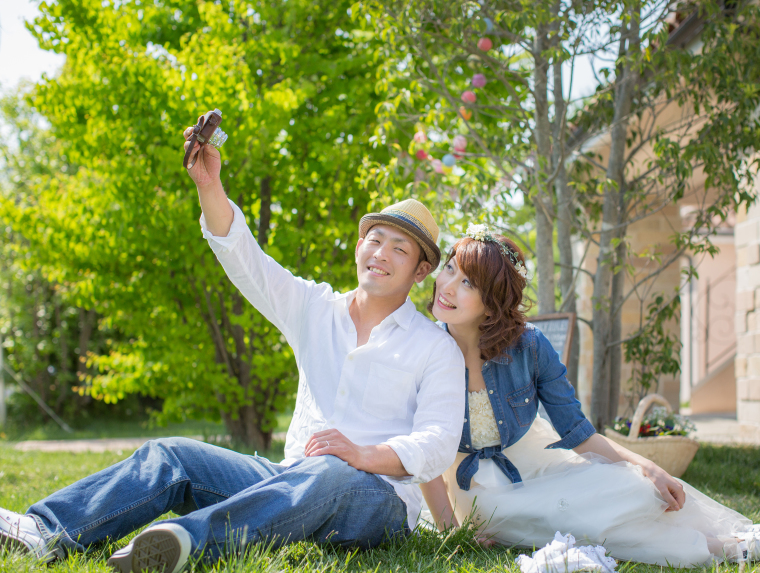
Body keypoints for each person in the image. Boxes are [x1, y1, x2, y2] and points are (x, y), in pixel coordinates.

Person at [0, 123, 466, 573]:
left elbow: (438, 442)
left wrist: (363, 455)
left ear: (420, 271)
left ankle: (186, 542)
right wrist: (209, 185)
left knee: (332, 473)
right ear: (359, 246)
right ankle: (44, 530)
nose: (381, 253)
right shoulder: (314, 307)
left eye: (399, 249)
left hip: (377, 500)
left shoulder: (434, 347)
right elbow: (247, 260)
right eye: (375, 240)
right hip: (286, 481)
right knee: (173, 455)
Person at [420, 224, 760, 567]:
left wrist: (649, 468)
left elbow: (578, 432)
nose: (447, 286)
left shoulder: (530, 346)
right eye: (450, 268)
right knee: (566, 518)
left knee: (637, 489)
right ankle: (730, 548)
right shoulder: (425, 350)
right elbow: (422, 454)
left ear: (493, 302)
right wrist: (452, 530)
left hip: (530, 456)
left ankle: (737, 537)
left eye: (468, 282)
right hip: (470, 488)